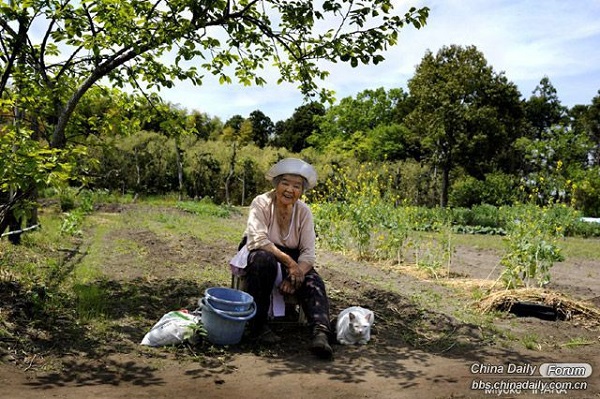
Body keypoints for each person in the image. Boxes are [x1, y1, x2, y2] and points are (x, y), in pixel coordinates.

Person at [237, 158, 333, 359]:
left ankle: (321, 333)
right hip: (262, 250)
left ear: (302, 191)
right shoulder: (261, 202)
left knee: (313, 281)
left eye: (296, 186)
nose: (290, 190)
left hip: (293, 256)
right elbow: (258, 240)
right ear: (276, 184)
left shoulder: (304, 212)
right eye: (285, 183)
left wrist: (295, 273)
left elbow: (308, 253)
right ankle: (257, 326)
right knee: (263, 261)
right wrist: (290, 264)